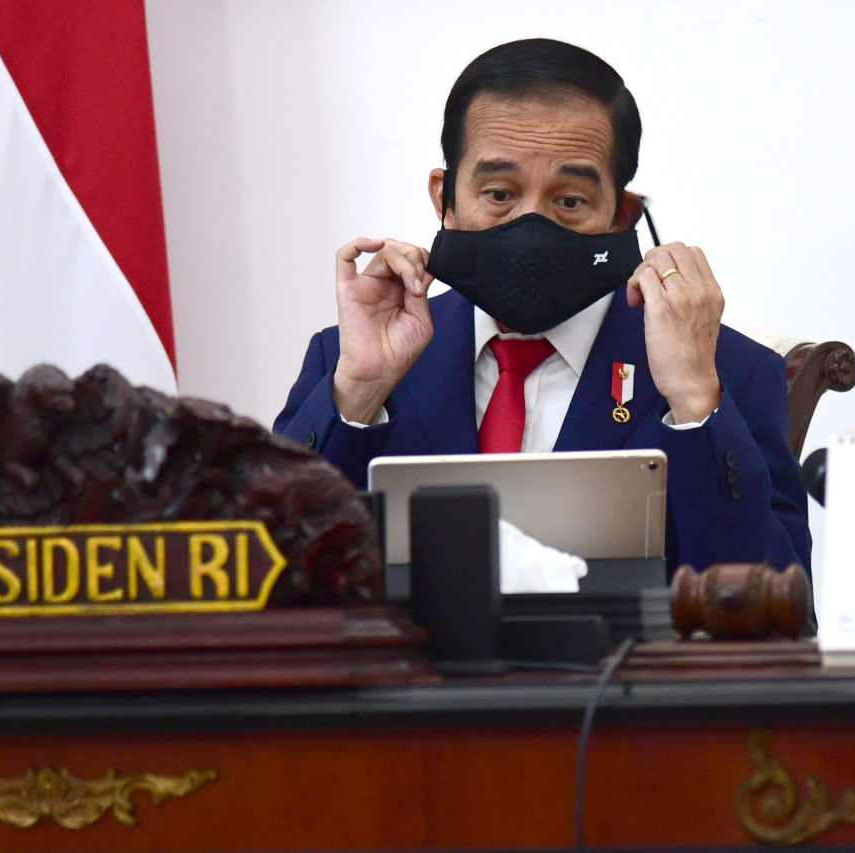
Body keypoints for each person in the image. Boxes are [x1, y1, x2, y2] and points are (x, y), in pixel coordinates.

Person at [274, 38, 810, 574]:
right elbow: (264, 565)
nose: (531, 229)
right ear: (446, 201)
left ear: (622, 216)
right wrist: (360, 392)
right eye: (499, 195)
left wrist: (694, 399)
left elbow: (784, 609)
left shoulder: (729, 372)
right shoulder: (344, 358)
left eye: (569, 201)